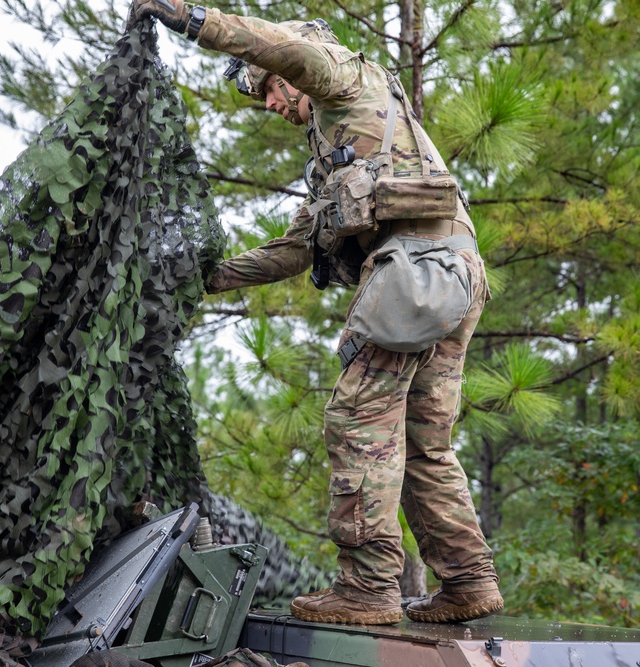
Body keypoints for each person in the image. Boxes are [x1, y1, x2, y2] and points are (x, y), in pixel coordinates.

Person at [132, 0, 503, 625]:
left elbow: (280, 48)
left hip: (413, 278)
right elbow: (294, 250)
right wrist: (202, 278)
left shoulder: (340, 75)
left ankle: (367, 589)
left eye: (272, 91)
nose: (273, 104)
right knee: (422, 444)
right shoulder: (340, 152)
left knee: (356, 421)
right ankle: (469, 581)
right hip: (453, 276)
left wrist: (194, 21)